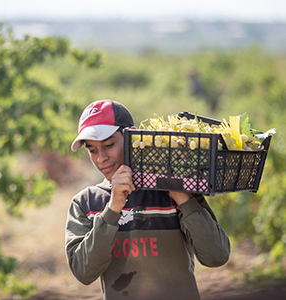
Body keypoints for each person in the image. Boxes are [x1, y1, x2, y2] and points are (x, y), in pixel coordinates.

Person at [65, 99, 230, 300]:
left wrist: (181, 196)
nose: (101, 159)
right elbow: (84, 272)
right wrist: (112, 209)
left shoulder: (172, 191)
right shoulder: (86, 204)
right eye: (92, 150)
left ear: (132, 136)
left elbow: (216, 256)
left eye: (109, 145)